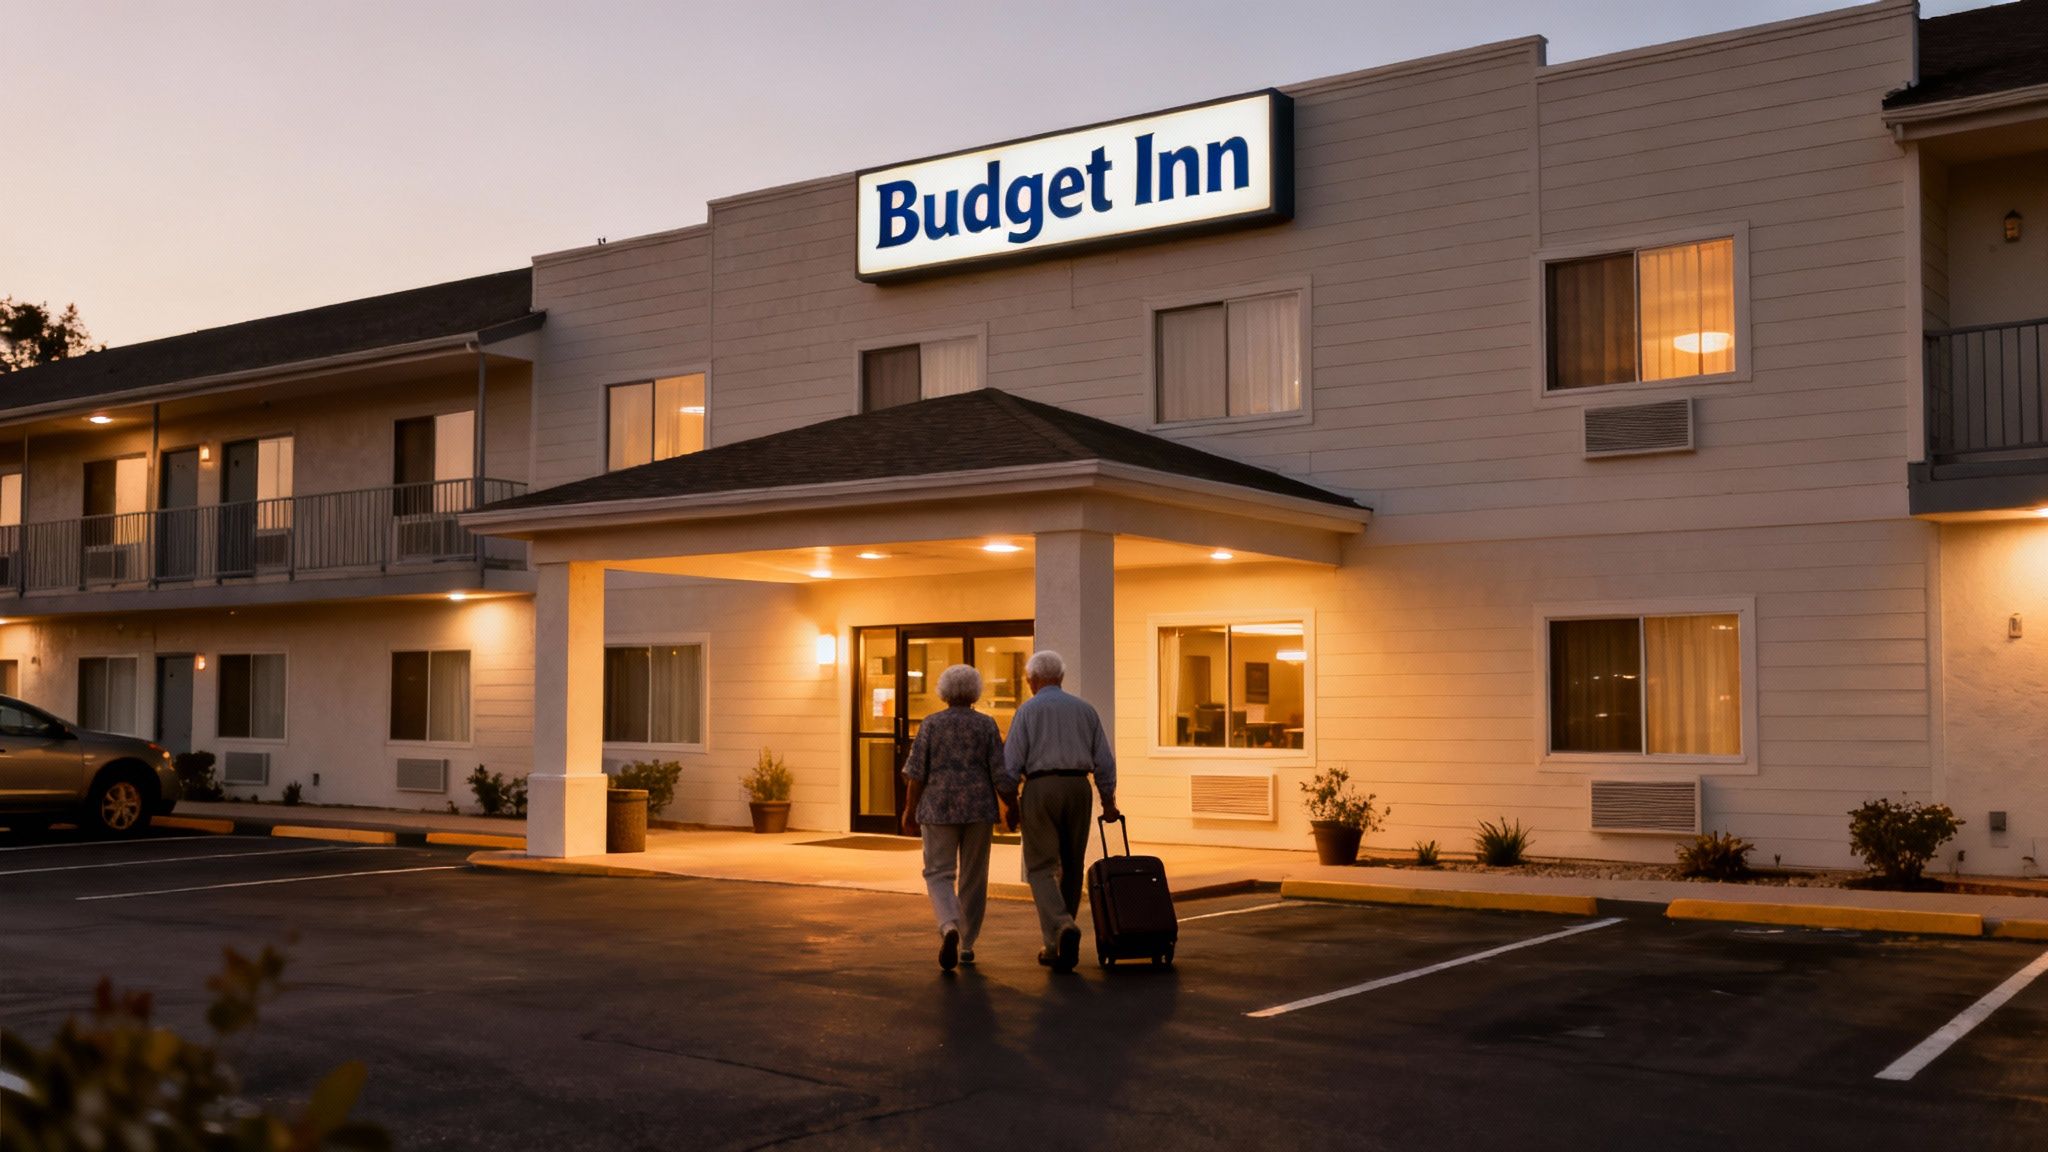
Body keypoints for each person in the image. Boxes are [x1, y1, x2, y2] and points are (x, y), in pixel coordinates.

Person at [999, 650, 1117, 973]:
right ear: (1061, 678)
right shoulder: (1085, 710)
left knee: (1040, 867)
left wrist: (1010, 803)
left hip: (1040, 787)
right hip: (1079, 787)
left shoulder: (1027, 711)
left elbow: (1011, 764)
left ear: (1033, 680)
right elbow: (1104, 760)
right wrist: (1108, 801)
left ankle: (1063, 926)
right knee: (1072, 863)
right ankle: (1055, 945)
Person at [901, 662, 1004, 972]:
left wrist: (909, 809)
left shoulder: (931, 725)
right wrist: (1010, 803)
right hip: (978, 807)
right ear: (975, 691)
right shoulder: (986, 725)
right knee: (974, 876)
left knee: (938, 872)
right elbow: (999, 771)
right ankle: (968, 944)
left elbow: (916, 772)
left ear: (944, 691)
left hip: (938, 806)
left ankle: (949, 927)